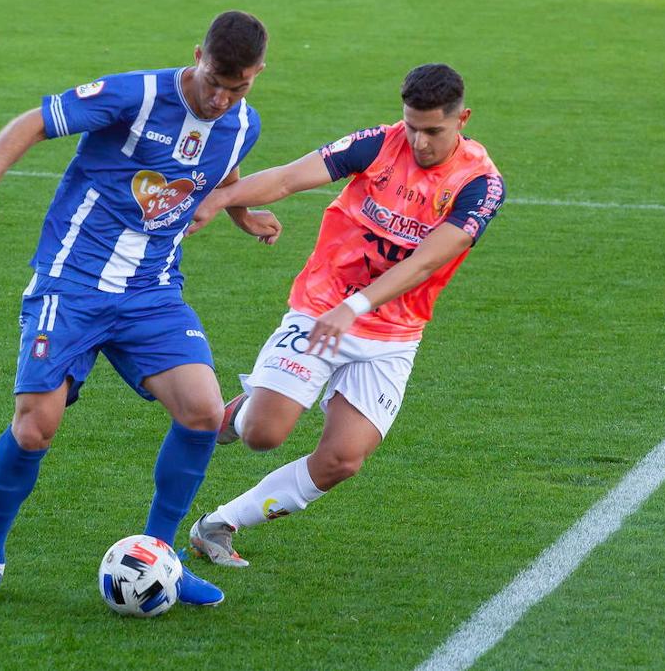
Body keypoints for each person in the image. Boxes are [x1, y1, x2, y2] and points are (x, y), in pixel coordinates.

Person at [0, 11, 280, 607]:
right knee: (35, 427)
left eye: (238, 88)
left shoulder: (241, 123)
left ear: (257, 74)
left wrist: (240, 213)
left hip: (151, 292)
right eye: (214, 81)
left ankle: (161, 557)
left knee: (205, 412)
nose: (221, 98)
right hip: (71, 284)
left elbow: (220, 171)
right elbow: (34, 121)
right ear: (197, 56)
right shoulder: (136, 94)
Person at [185, 63, 505, 567]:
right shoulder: (379, 144)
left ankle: (218, 524)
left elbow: (426, 261)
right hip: (321, 304)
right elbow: (291, 177)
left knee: (342, 460)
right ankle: (240, 412)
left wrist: (354, 308)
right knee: (262, 436)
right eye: (411, 127)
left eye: (433, 131)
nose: (419, 142)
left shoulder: (479, 185)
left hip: (391, 332)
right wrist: (224, 198)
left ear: (462, 119)